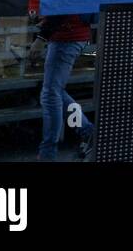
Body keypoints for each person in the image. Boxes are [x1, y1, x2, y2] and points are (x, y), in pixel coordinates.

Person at [37, 13, 97, 160]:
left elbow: (62, 7)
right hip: (72, 35)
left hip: (66, 36)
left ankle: (48, 153)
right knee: (54, 91)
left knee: (51, 94)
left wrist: (41, 37)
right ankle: (87, 130)